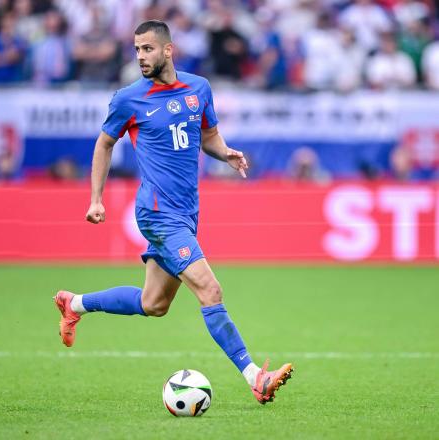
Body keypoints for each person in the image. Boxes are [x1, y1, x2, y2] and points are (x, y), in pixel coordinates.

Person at [53, 20, 293, 405]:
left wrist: (225, 152)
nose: (140, 57)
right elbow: (103, 145)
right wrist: (95, 199)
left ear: (168, 50)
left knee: (154, 304)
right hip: (157, 214)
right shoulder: (129, 98)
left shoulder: (198, 89)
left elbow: (208, 136)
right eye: (136, 50)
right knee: (210, 290)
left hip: (187, 213)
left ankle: (74, 303)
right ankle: (255, 376)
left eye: (147, 49)